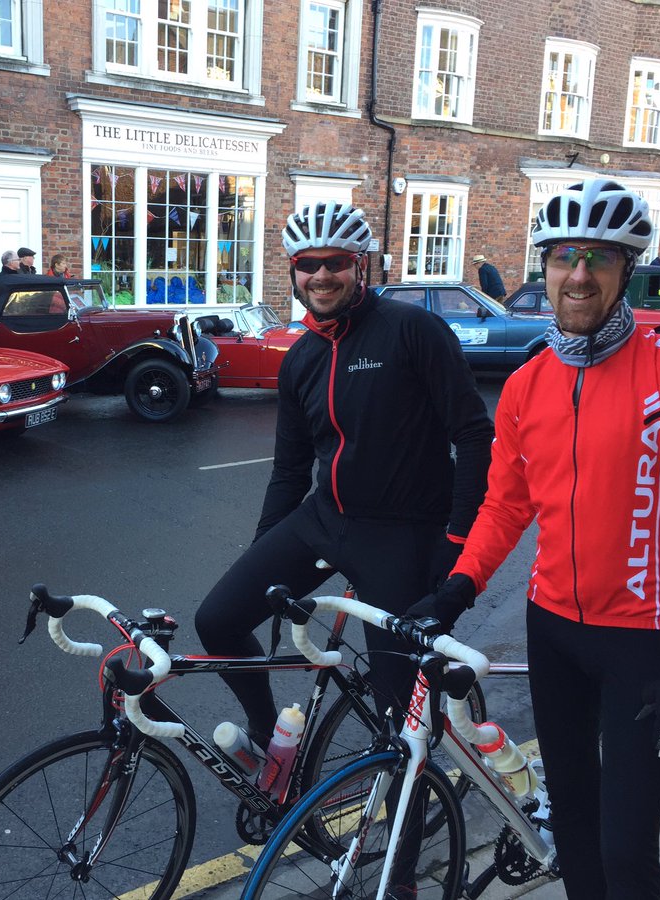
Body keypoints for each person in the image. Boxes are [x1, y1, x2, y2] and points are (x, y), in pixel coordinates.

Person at [412, 179, 660, 899]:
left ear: (626, 269)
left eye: (600, 258)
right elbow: (507, 504)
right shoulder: (531, 381)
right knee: (575, 835)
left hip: (645, 641)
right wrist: (458, 589)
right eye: (564, 257)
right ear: (544, 266)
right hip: (554, 633)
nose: (579, 275)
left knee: (627, 862)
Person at [195, 200, 494, 763]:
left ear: (360, 265)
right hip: (323, 521)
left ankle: (412, 818)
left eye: (336, 262)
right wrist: (264, 549)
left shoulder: (413, 330)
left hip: (401, 534)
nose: (322, 275)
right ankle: (267, 738)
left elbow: (475, 438)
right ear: (293, 271)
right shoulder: (301, 358)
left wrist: (455, 543)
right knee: (218, 620)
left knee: (397, 714)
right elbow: (290, 468)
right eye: (309, 263)